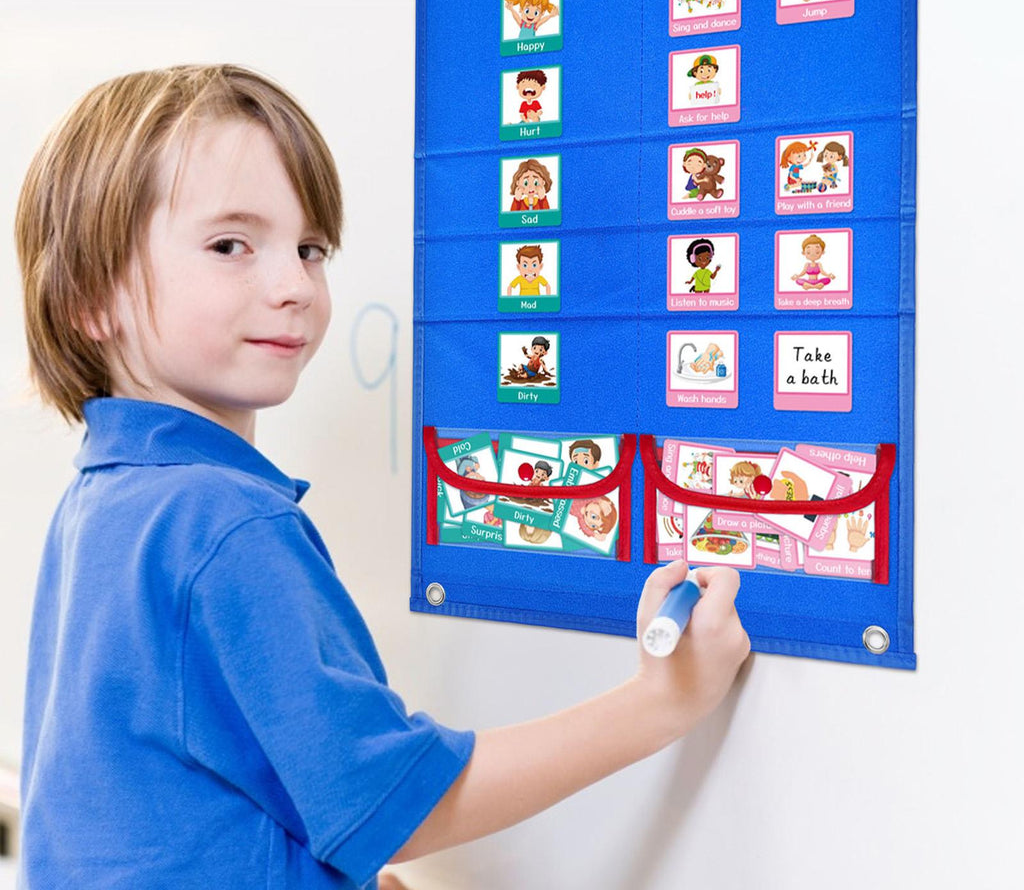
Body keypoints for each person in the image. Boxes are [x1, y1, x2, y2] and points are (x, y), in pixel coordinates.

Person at [15, 64, 749, 888]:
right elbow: (397, 806)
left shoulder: (110, 496)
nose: (294, 286)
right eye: (230, 246)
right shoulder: (222, 521)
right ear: (90, 298)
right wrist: (662, 701)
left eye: (310, 249)